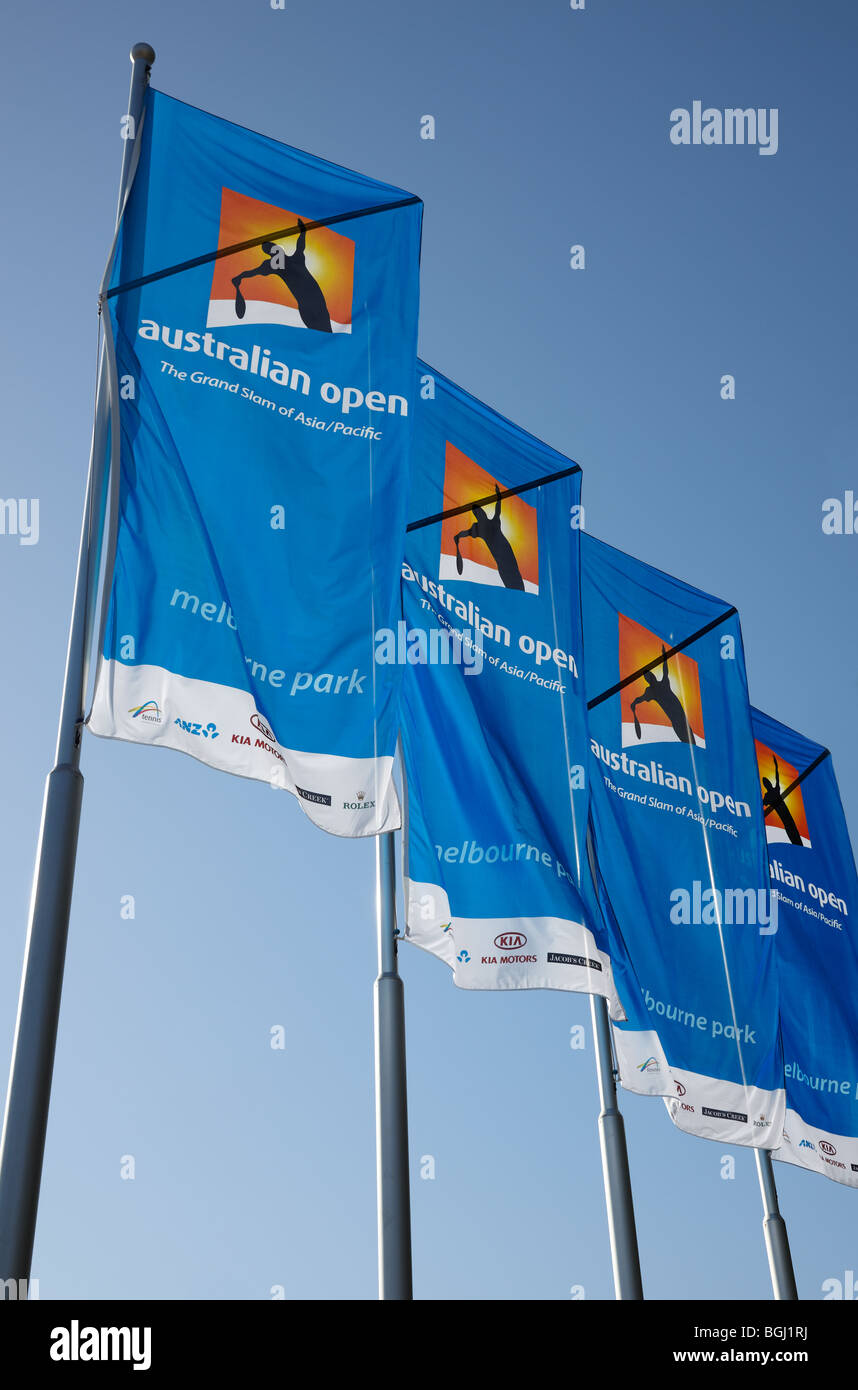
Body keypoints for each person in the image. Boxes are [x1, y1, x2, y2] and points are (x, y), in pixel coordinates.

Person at [232, 219, 332, 332]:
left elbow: (300, 245)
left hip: (316, 300)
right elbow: (252, 272)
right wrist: (240, 277)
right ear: (270, 254)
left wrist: (303, 231)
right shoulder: (272, 265)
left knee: (326, 333)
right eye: (270, 250)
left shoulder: (295, 258)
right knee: (318, 334)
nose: (275, 250)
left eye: (273, 247)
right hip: (306, 306)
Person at [453, 485, 524, 590]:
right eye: (477, 512)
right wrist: (458, 536)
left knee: (514, 572)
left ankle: (521, 592)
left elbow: (498, 507)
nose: (480, 512)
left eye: (480, 510)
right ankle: (516, 594)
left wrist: (498, 495)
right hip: (499, 557)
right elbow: (465, 533)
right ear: (476, 516)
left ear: (484, 512)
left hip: (507, 551)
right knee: (506, 576)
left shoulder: (492, 522)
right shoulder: (477, 528)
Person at [630, 645, 696, 744]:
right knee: (684, 737)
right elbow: (640, 698)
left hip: (679, 712)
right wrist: (634, 702)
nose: (650, 676)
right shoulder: (650, 691)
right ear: (647, 680)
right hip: (674, 717)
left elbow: (665, 669)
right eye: (647, 676)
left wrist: (664, 656)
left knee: (688, 734)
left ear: (653, 675)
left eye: (650, 673)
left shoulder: (663, 683)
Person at [762, 755, 803, 845]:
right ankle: (796, 844)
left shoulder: (776, 789)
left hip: (787, 813)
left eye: (767, 781)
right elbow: (761, 804)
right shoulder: (767, 796)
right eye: (765, 782)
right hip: (783, 816)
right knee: (789, 829)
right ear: (765, 785)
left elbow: (777, 776)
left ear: (769, 782)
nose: (767, 783)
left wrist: (776, 765)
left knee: (792, 828)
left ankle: (798, 844)